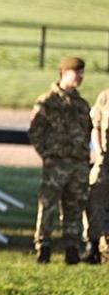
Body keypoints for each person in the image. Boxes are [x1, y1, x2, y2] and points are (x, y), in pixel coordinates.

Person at [28, 56, 91, 264]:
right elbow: (35, 131)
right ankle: (43, 247)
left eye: (82, 72)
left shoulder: (82, 105)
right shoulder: (47, 101)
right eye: (76, 72)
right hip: (56, 163)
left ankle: (71, 249)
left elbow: (87, 132)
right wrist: (46, 154)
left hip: (78, 164)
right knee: (48, 205)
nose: (80, 76)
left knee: (74, 207)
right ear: (63, 73)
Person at [84, 86, 109, 264]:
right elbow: (96, 127)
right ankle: (92, 245)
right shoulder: (105, 97)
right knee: (94, 199)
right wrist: (100, 152)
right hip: (105, 160)